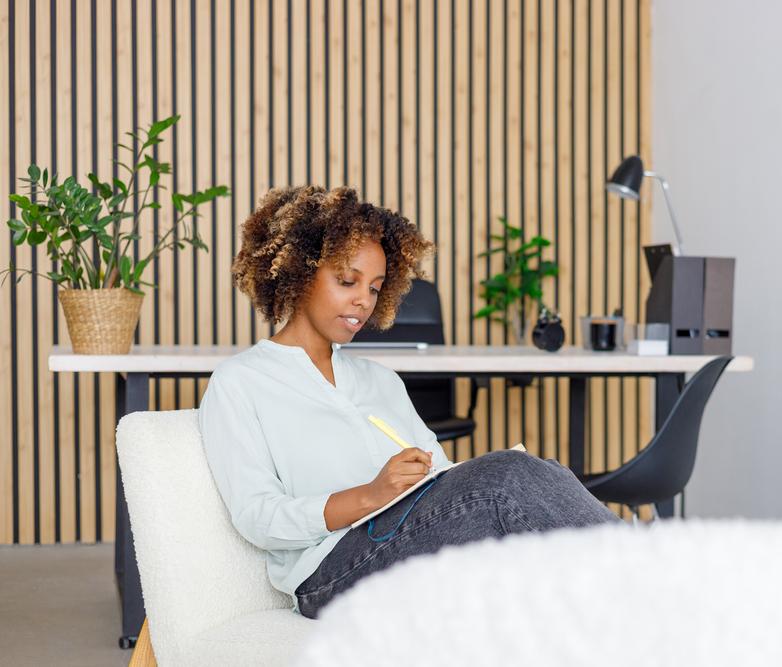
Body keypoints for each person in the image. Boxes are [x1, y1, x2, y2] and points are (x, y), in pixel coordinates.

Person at [198, 185, 620, 619]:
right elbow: (257, 517)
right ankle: (653, 576)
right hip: (329, 572)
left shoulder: (380, 381)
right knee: (506, 479)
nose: (363, 300)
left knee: (545, 477)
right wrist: (370, 495)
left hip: (408, 543)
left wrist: (451, 481)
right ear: (298, 272)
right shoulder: (242, 382)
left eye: (377, 288)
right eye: (347, 281)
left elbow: (441, 481)